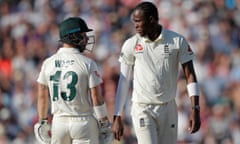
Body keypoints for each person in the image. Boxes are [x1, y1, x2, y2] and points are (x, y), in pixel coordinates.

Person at [112, 2, 201, 144]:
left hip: (168, 107)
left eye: (138, 21)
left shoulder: (176, 41)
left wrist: (195, 108)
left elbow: (190, 75)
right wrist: (117, 115)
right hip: (142, 107)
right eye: (134, 22)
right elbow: (123, 80)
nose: (135, 26)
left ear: (151, 19)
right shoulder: (131, 44)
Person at [34, 17, 112, 144]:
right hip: (83, 122)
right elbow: (96, 97)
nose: (86, 39)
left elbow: (42, 95)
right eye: (83, 34)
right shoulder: (88, 63)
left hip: (58, 123)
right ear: (72, 36)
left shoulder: (48, 63)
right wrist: (104, 122)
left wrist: (42, 122)